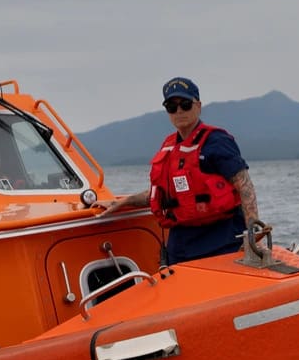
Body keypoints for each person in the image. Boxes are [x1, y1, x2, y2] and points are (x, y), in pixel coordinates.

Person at [94, 77, 260, 263]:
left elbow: (244, 185)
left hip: (222, 239)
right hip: (182, 245)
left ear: (198, 106)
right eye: (172, 107)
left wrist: (253, 230)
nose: (179, 111)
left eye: (185, 105)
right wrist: (124, 202)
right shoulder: (170, 146)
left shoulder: (217, 141)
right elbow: (163, 194)